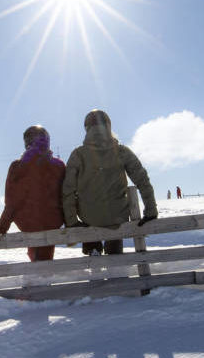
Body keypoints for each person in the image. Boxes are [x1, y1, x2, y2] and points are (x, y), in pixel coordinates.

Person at [62, 109, 158, 256]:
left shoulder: (78, 154)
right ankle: (115, 257)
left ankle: (93, 253)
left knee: (92, 247)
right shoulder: (122, 151)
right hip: (117, 216)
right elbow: (143, 181)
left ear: (86, 128)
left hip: (89, 218)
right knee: (115, 252)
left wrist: (72, 221)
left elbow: (67, 190)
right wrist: (151, 211)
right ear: (108, 126)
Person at [0, 125, 67, 261]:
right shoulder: (59, 166)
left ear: (27, 143)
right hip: (52, 223)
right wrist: (70, 222)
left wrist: (0, 229)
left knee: (38, 259)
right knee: (44, 258)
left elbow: (11, 203)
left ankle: (39, 268)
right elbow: (66, 197)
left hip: (29, 224)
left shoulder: (17, 167)